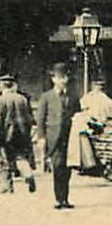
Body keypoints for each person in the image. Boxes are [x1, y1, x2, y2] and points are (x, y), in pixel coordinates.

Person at [35, 62, 80, 209]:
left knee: (67, 169)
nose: (62, 81)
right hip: (53, 137)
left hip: (69, 137)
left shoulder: (73, 97)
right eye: (59, 78)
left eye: (64, 78)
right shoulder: (46, 97)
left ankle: (65, 199)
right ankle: (58, 198)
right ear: (53, 79)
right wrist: (41, 137)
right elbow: (40, 119)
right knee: (57, 166)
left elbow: (78, 116)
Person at [0, 72, 37, 194]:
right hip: (22, 134)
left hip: (6, 135)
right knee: (21, 158)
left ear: (2, 86)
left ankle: (7, 186)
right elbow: (29, 118)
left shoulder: (0, 100)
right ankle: (28, 175)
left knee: (3, 160)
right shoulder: (22, 99)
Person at [71, 77, 112, 173]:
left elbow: (80, 110)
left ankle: (86, 163)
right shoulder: (108, 101)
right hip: (102, 126)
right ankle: (85, 162)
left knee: (79, 130)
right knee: (80, 129)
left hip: (97, 126)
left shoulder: (91, 98)